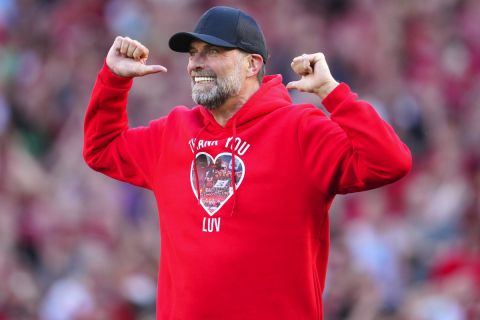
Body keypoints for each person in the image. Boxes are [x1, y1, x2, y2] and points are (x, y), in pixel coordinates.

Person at [83, 6, 412, 320]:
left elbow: (389, 162)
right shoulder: (173, 132)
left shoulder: (299, 129)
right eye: (193, 53)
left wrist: (332, 92)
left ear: (252, 64)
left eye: (212, 52)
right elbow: (102, 149)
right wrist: (113, 80)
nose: (196, 63)